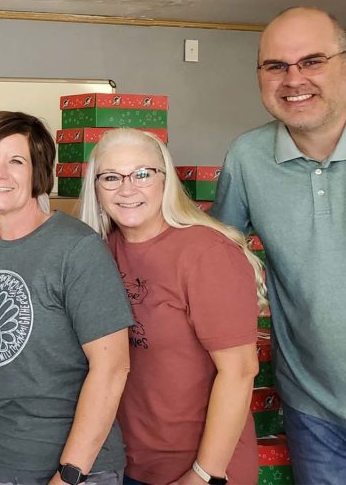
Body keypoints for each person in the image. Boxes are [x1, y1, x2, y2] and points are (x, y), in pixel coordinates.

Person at [213, 6, 346, 482]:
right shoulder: (247, 156)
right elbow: (215, 259)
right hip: (317, 416)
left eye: (312, 61)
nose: (293, 79)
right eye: (276, 66)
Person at [0, 111, 133, 485]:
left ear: (39, 173)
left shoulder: (77, 248)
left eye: (16, 161)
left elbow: (112, 367)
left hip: (71, 468)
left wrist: (70, 473)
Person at [77, 128, 264, 485]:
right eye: (111, 177)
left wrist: (205, 474)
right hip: (123, 463)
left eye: (142, 174)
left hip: (201, 468)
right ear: (96, 188)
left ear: (166, 179)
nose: (127, 189)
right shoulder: (97, 252)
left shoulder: (206, 253)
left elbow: (239, 371)